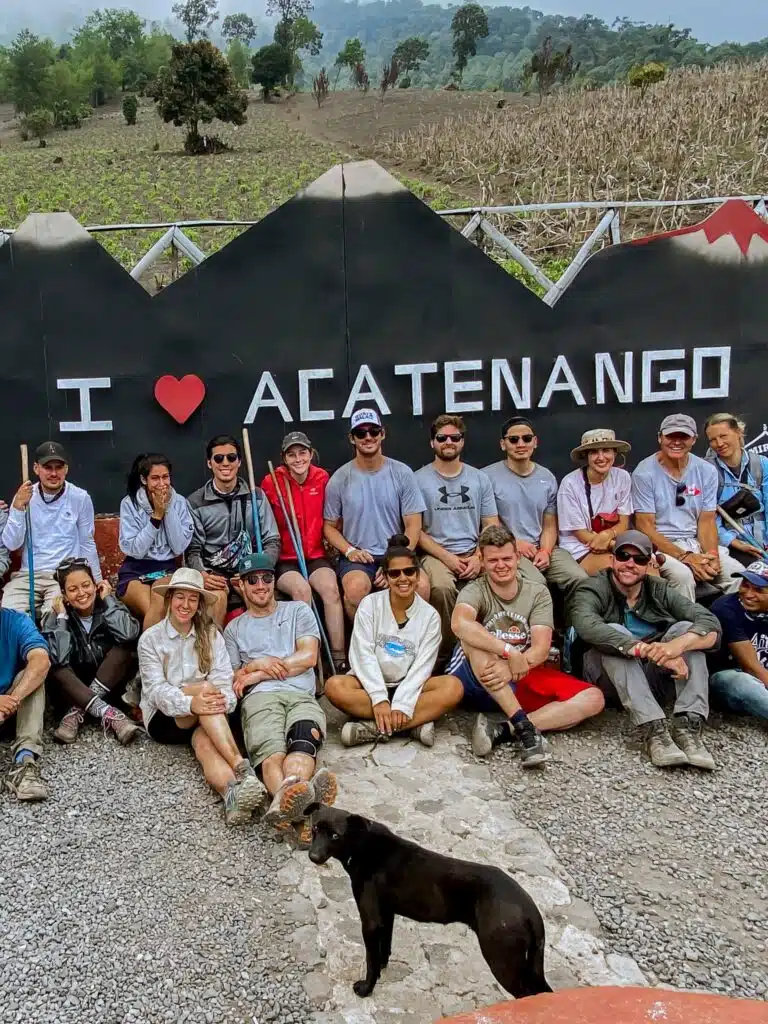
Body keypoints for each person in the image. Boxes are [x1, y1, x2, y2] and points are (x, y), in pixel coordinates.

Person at [448, 525, 604, 766]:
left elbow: (541, 648)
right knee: (474, 640)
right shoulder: (475, 590)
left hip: (518, 673)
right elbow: (459, 624)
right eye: (493, 560)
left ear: (518, 558)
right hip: (477, 677)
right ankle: (525, 729)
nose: (501, 565)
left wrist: (512, 667)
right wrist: (507, 652)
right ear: (482, 560)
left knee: (593, 698)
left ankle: (505, 728)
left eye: (507, 558)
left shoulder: (537, 592)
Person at [570, 530, 720, 769]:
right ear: (612, 559)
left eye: (639, 559)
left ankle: (688, 727)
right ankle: (654, 731)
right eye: (623, 556)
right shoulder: (592, 588)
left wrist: (675, 647)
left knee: (687, 629)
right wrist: (648, 650)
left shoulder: (658, 588)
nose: (630, 564)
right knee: (616, 633)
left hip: (651, 677)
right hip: (606, 679)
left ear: (649, 563)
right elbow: (589, 627)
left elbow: (709, 622)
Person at [224, 553, 337, 847]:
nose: (261, 585)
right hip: (261, 701)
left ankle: (287, 807)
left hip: (300, 693)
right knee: (272, 754)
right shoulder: (234, 629)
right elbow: (234, 677)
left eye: (267, 578)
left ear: (274, 581)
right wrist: (255, 664)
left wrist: (259, 673)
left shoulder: (298, 611)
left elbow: (309, 656)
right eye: (252, 579)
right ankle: (305, 815)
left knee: (303, 743)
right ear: (241, 585)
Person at [138, 568, 266, 826]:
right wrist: (192, 702)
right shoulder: (151, 639)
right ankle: (243, 768)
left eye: (192, 599)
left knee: (205, 745)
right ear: (169, 599)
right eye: (180, 597)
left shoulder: (210, 635)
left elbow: (224, 681)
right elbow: (156, 691)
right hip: (166, 719)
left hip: (208, 715)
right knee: (205, 691)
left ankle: (232, 794)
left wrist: (221, 700)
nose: (185, 605)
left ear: (198, 605)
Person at [324, 534, 463, 748]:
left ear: (418, 575)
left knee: (453, 687)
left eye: (409, 572)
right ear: (386, 577)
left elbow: (423, 666)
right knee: (335, 686)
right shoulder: (370, 605)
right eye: (395, 573)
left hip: (411, 686)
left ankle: (372, 729)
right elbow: (362, 653)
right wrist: (379, 698)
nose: (403, 578)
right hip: (369, 686)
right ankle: (413, 724)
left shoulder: (430, 616)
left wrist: (403, 703)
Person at [323, 409, 429, 619]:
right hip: (359, 556)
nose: (368, 437)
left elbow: (413, 524)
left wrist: (396, 559)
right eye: (361, 433)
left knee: (422, 587)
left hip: (397, 550)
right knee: (355, 590)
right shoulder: (340, 478)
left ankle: (410, 644)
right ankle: (366, 646)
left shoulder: (402, 473)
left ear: (383, 433)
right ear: (352, 439)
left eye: (373, 431)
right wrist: (350, 550)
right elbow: (329, 526)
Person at [631, 414, 743, 600]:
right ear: (660, 438)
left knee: (737, 574)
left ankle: (736, 627)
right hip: (661, 548)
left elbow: (706, 521)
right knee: (683, 577)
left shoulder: (706, 470)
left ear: (694, 439)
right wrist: (686, 557)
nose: (676, 442)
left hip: (696, 543)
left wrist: (712, 555)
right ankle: (686, 628)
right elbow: (645, 527)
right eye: (670, 436)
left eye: (683, 437)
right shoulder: (644, 473)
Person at [415, 414, 499, 658]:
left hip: (474, 549)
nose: (448, 442)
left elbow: (491, 524)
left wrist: (478, 557)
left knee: (503, 580)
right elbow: (416, 531)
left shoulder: (479, 479)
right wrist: (448, 558)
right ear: (432, 443)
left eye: (455, 437)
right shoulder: (417, 479)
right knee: (441, 588)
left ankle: (494, 649)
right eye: (442, 438)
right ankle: (449, 654)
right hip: (436, 553)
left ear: (462, 441)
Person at [260, 431, 345, 668]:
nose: (298, 459)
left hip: (315, 555)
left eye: (302, 453)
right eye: (292, 454)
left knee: (331, 590)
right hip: (286, 558)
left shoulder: (322, 478)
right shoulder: (271, 482)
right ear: (284, 458)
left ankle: (339, 659)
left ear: (311, 453)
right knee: (301, 591)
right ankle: (311, 663)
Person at [42, 558, 141, 746]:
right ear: (64, 594)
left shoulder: (110, 606)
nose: (81, 593)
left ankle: (78, 711)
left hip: (109, 689)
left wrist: (110, 600)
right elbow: (58, 658)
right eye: (72, 589)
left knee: (124, 649)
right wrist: (62, 618)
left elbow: (129, 635)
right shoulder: (56, 617)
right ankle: (111, 716)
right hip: (72, 690)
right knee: (56, 663)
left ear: (96, 585)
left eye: (86, 585)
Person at [187, 435, 280, 627]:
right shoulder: (195, 502)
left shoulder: (256, 496)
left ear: (239, 461)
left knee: (262, 598)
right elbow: (192, 550)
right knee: (217, 600)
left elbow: (272, 540)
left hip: (250, 568)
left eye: (231, 457)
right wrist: (202, 575)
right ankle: (213, 654)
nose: (225, 463)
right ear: (209, 463)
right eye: (218, 458)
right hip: (214, 573)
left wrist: (258, 569)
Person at [2, 441, 102, 618]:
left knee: (55, 617)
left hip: (63, 575)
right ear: (36, 468)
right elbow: (11, 544)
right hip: (28, 576)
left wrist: (97, 579)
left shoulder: (80, 497)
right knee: (9, 615)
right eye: (48, 467)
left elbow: (87, 542)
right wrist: (18, 507)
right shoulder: (24, 496)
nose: (54, 473)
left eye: (59, 467)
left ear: (66, 469)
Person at [118, 453, 194, 630]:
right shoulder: (130, 504)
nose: (162, 484)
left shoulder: (179, 502)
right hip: (135, 569)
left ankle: (149, 656)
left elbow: (178, 547)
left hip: (166, 568)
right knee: (152, 607)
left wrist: (167, 511)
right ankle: (149, 656)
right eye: (155, 478)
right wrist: (156, 518)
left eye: (165, 477)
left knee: (160, 601)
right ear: (144, 479)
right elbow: (135, 550)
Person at [482, 417, 559, 585]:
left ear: (535, 442)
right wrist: (515, 543)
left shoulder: (547, 477)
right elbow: (489, 523)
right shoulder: (486, 477)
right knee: (537, 582)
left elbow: (549, 525)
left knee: (576, 577)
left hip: (542, 547)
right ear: (503, 444)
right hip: (505, 547)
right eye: (513, 440)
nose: (521, 444)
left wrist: (545, 551)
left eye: (527, 438)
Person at [555, 428, 633, 585]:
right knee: (621, 571)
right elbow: (581, 534)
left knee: (650, 570)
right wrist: (619, 548)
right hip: (579, 547)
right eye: (594, 452)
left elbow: (624, 522)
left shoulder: (623, 477)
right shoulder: (570, 483)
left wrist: (608, 535)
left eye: (606, 450)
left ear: (615, 453)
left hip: (612, 542)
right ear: (586, 456)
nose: (601, 457)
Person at [704, 413, 768, 567]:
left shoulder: (762, 464)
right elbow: (708, 520)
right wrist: (734, 543)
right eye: (713, 440)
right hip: (730, 546)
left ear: (738, 432)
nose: (719, 443)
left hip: (762, 542)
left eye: (723, 436)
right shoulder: (706, 470)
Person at [0, 607, 50, 800]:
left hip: (11, 708)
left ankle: (24, 762)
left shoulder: (17, 621)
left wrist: (12, 701)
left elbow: (41, 659)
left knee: (32, 675)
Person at [709, 561, 768, 721]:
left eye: (758, 590)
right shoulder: (726, 608)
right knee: (744, 682)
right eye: (745, 585)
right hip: (728, 679)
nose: (748, 594)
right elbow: (752, 668)